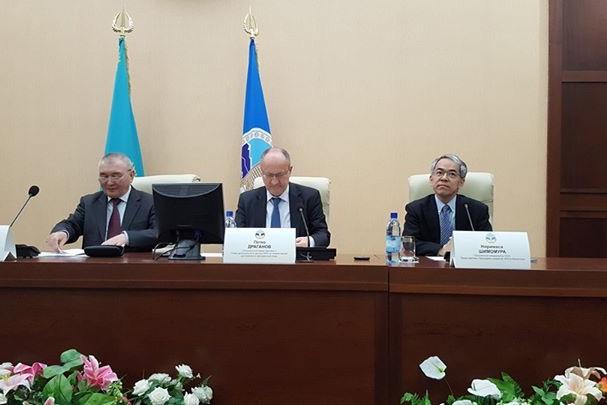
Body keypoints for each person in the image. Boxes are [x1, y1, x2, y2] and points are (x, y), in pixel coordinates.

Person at [46, 153, 157, 252]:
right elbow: (72, 225)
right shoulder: (89, 203)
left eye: (115, 176)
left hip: (134, 265)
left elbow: (158, 233)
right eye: (104, 176)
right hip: (94, 265)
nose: (109, 182)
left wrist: (126, 237)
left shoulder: (150, 202)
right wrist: (62, 232)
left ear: (131, 175)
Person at [235, 147, 330, 247]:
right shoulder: (247, 200)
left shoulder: (309, 197)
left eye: (280, 175)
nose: (274, 182)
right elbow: (237, 236)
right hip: (259, 256)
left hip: (297, 256)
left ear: (290, 171)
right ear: (262, 172)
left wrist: (309, 241)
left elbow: (323, 235)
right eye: (269, 175)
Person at [403, 154, 492, 256]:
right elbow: (409, 243)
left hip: (464, 264)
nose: (444, 178)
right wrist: (441, 249)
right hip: (428, 264)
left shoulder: (477, 210)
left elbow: (487, 244)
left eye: (452, 174)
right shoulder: (416, 209)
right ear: (431, 179)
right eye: (439, 173)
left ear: (461, 182)